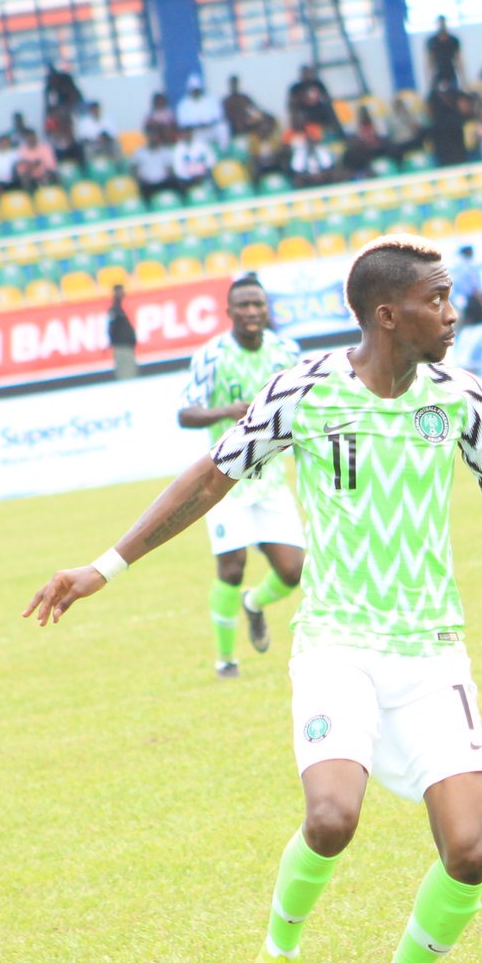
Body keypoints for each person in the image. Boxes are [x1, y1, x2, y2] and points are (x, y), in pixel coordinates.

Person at [22, 236, 482, 963]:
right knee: (332, 817)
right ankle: (278, 958)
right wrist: (104, 567)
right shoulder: (303, 391)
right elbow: (209, 478)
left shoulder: (461, 395)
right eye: (436, 299)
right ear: (389, 315)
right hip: (338, 644)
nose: (452, 313)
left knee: (472, 850)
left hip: (432, 650)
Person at [162, 274, 309, 676]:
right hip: (225, 480)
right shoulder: (211, 356)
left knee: (293, 572)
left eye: (257, 304)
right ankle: (226, 661)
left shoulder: (286, 352)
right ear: (229, 311)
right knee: (232, 568)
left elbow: (308, 404)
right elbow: (186, 414)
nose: (251, 311)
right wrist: (227, 411)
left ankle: (253, 604)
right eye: (243, 305)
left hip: (271, 480)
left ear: (266, 309)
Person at [449, 244, 482, 324]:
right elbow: (475, 289)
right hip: (474, 303)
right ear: (469, 253)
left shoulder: (457, 268)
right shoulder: (470, 268)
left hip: (462, 303)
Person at [108, 282, 138, 379]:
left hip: (127, 345)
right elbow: (111, 328)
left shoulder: (123, 307)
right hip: (121, 346)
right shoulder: (114, 309)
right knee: (125, 373)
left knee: (130, 372)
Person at [425, 16, 463, 88]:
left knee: (453, 90)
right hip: (438, 72)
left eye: (443, 23)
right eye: (440, 23)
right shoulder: (432, 41)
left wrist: (463, 79)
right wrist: (429, 78)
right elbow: (430, 60)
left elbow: (458, 59)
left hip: (450, 72)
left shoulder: (453, 40)